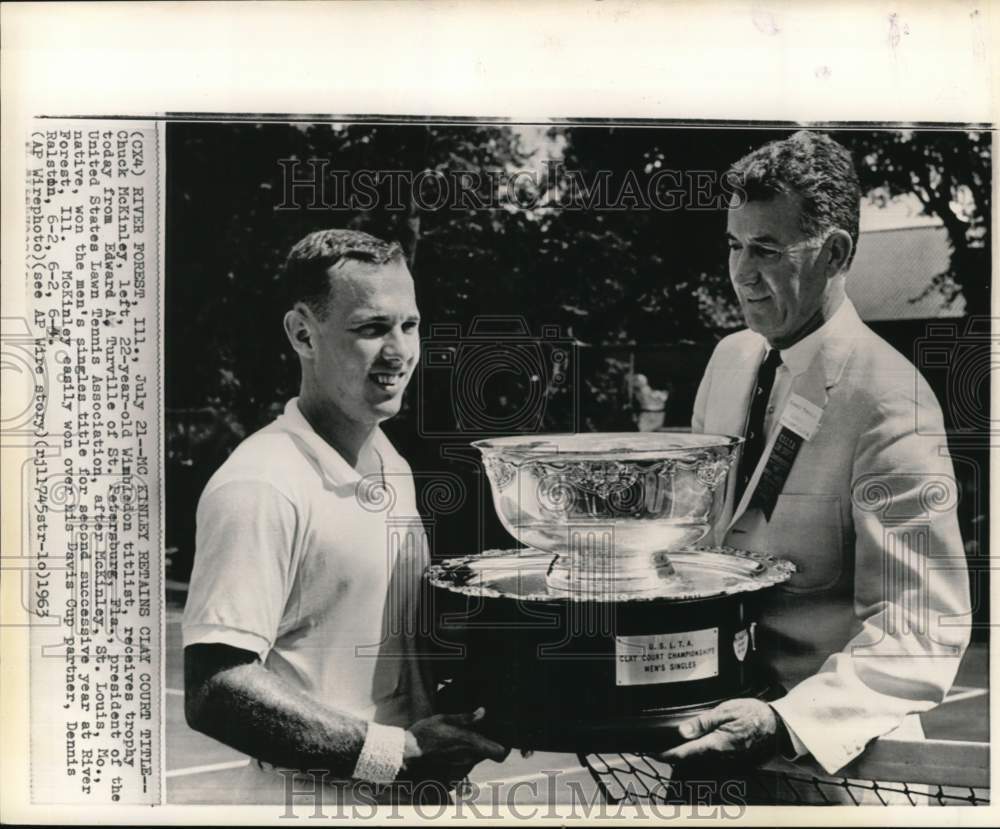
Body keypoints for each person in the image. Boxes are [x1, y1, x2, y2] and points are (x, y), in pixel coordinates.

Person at [662, 132, 971, 789]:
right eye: (734, 245)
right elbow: (697, 545)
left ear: (835, 253)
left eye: (767, 250)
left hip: (837, 774)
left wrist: (782, 722)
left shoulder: (892, 398)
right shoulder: (728, 361)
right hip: (711, 752)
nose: (742, 273)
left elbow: (920, 630)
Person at [183, 229, 508, 804]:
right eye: (372, 328)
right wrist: (400, 753)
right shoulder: (261, 483)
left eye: (409, 325)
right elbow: (216, 688)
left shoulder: (389, 460)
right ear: (302, 333)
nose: (399, 352)